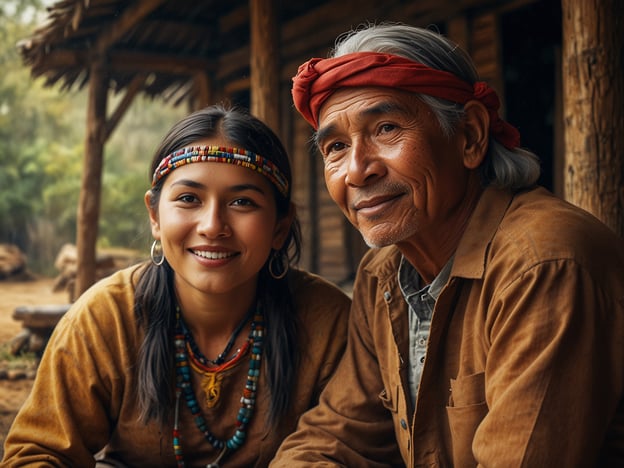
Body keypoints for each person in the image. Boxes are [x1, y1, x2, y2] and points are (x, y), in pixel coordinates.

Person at [271, 23, 624, 467]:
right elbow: (334, 438)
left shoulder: (544, 264)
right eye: (336, 147)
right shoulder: (381, 275)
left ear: (471, 136)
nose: (356, 171)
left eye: (386, 128)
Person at [2, 104, 351, 467]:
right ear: (155, 216)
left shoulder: (327, 324)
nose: (213, 226)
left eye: (242, 202)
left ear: (280, 226)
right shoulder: (106, 318)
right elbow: (37, 453)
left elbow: (340, 447)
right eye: (189, 199)